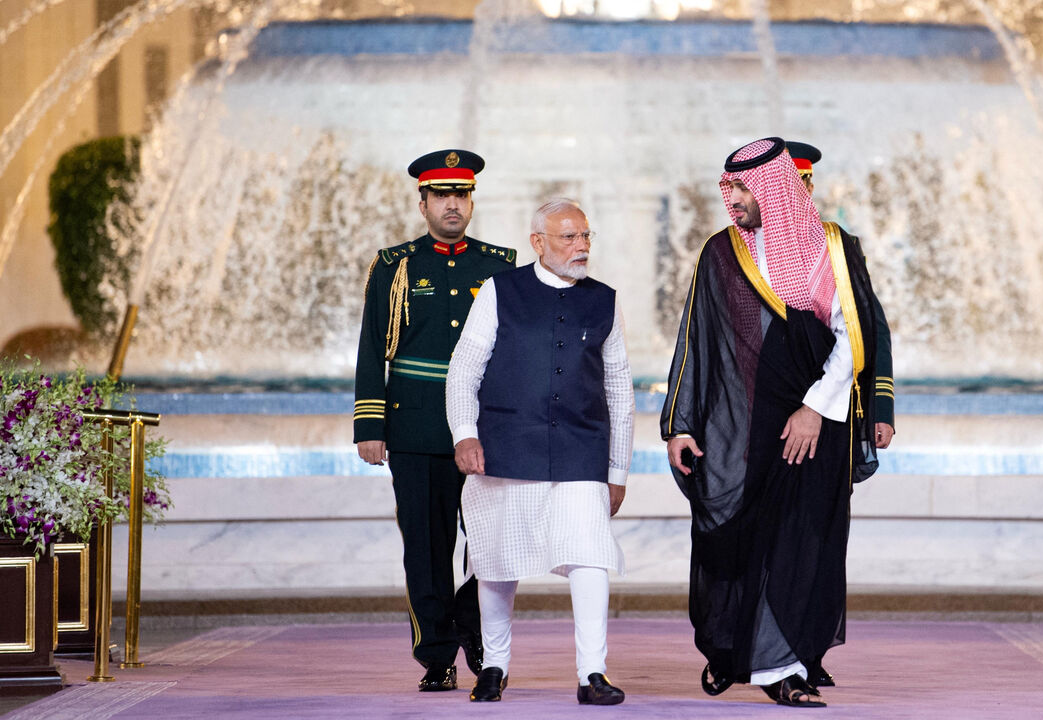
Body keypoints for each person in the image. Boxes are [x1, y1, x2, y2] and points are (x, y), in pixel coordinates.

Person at [661, 137, 894, 708]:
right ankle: (734, 651)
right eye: (729, 187)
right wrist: (682, 423)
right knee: (739, 536)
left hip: (818, 419)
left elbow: (856, 337)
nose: (732, 199)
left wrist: (814, 408)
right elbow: (698, 343)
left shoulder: (833, 249)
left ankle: (785, 666)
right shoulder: (720, 251)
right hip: (746, 422)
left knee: (802, 540)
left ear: (774, 189)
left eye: (742, 188)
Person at [446, 198, 634, 706]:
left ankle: (592, 673)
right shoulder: (499, 291)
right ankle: (494, 666)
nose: (581, 247)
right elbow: (465, 369)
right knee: (496, 561)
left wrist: (617, 468)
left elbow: (619, 389)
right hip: (506, 447)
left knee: (590, 556)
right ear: (538, 242)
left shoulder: (605, 301)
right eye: (569, 238)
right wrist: (465, 433)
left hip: (580, 450)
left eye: (585, 237)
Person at [354, 149, 516, 692]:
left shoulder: (499, 265)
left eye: (462, 194)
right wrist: (370, 425)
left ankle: (475, 633)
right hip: (417, 428)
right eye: (442, 195)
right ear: (422, 202)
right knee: (425, 548)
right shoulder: (395, 265)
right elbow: (372, 346)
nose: (453, 205)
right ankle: (436, 654)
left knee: (487, 543)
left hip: (481, 431)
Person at [783, 138, 896, 687]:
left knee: (824, 535)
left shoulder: (838, 243)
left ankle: (811, 649)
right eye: (790, 182)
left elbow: (869, 325)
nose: (801, 192)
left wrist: (879, 404)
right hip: (767, 419)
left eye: (806, 182)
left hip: (831, 417)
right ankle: (775, 648)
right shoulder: (737, 247)